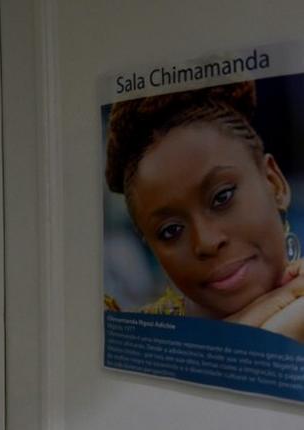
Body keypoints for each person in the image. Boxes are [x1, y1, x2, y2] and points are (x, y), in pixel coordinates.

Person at [105, 81, 304, 342]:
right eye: (171, 231)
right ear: (152, 248)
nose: (207, 242)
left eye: (222, 197)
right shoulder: (138, 344)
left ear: (274, 182)